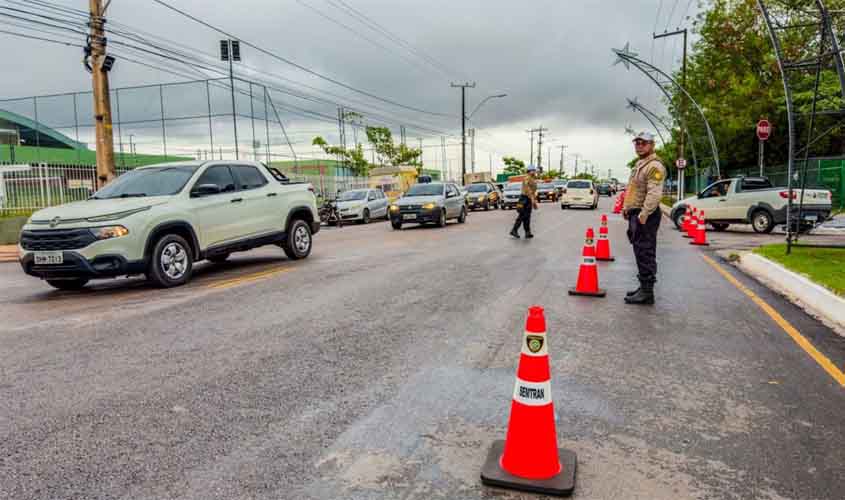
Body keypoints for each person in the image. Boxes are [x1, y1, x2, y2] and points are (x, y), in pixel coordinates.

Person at [623, 132, 667, 305]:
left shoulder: (654, 166)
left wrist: (644, 213)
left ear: (652, 145)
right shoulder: (640, 164)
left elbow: (654, 193)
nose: (639, 146)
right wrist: (627, 207)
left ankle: (647, 292)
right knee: (639, 251)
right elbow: (633, 188)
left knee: (645, 251)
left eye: (643, 143)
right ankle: (643, 287)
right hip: (637, 212)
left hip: (646, 215)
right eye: (637, 143)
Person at [510, 165, 539, 239]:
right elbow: (527, 189)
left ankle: (527, 232)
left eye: (534, 170)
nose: (534, 172)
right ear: (529, 171)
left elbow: (533, 191)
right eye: (533, 170)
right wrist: (532, 199)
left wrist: (533, 200)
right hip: (524, 199)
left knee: (527, 216)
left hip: (529, 199)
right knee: (522, 216)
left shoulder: (533, 179)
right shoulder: (527, 178)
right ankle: (514, 230)